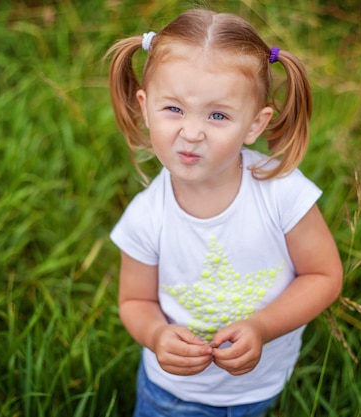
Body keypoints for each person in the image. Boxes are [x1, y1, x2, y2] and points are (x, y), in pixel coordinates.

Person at [106, 9, 343, 417]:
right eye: (173, 109)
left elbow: (323, 275)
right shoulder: (146, 216)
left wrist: (262, 327)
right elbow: (134, 300)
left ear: (254, 124)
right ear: (144, 107)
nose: (192, 132)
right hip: (172, 395)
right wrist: (157, 335)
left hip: (261, 387)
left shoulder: (281, 192)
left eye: (217, 115)